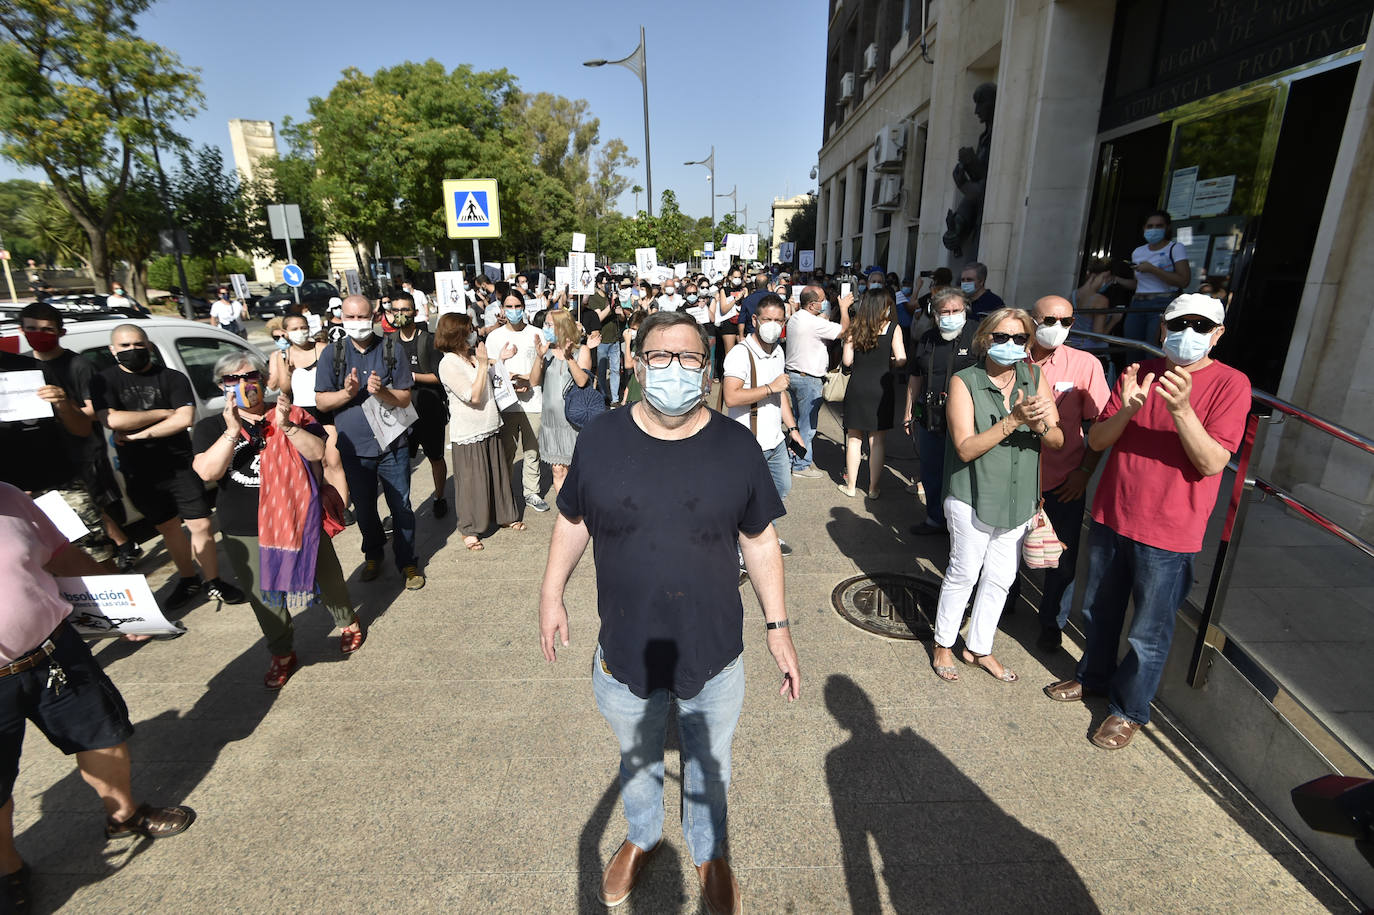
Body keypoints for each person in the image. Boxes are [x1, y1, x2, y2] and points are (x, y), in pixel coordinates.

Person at [538, 311, 800, 915]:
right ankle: (643, 836)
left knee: (709, 764)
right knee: (637, 757)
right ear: (636, 362)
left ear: (705, 371)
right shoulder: (601, 437)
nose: (674, 370)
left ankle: (709, 851)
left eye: (688, 359)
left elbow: (759, 541)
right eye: (660, 357)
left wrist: (778, 627)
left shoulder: (736, 447)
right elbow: (572, 518)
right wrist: (552, 595)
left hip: (713, 653)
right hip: (625, 647)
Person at [1045, 294, 1249, 750]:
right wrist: (1129, 408)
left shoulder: (1231, 384)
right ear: (1162, 327)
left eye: (1201, 326)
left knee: (1148, 631)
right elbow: (1097, 438)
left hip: (1169, 533)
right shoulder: (1140, 372)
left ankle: (1128, 710)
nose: (1188, 335)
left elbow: (1213, 461)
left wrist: (1181, 410)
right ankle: (1092, 677)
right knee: (1097, 609)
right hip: (1113, 514)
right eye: (1180, 323)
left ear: (1218, 334)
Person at [0, 483, 194, 913]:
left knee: (103, 736)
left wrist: (119, 607)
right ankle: (8, 868)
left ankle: (123, 815)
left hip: (53, 651)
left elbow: (62, 556)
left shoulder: (9, 497)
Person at [191, 353, 363, 689]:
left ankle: (348, 622)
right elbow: (208, 472)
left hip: (300, 518)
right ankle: (282, 652)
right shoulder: (210, 426)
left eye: (250, 375)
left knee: (327, 577)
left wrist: (285, 425)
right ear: (221, 386)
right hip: (245, 527)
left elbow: (317, 453)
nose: (243, 384)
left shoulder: (292, 411)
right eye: (232, 379)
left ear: (264, 378)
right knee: (265, 597)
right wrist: (231, 432)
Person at [930, 308, 1063, 683]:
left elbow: (1057, 439)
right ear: (985, 339)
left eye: (1019, 339)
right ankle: (943, 643)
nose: (1010, 345)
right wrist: (1015, 421)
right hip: (972, 493)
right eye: (1001, 337)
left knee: (1001, 577)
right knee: (964, 571)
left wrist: (1040, 425)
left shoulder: (1035, 376)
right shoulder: (964, 381)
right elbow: (965, 448)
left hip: (1018, 498)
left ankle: (979, 647)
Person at [90, 324, 246, 609]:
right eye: (124, 346)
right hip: (140, 470)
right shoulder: (104, 381)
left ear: (149, 346)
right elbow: (111, 420)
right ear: (113, 350)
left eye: (138, 344)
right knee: (168, 528)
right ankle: (189, 579)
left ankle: (213, 581)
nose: (132, 350)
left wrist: (137, 433)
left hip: (179, 464)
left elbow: (184, 418)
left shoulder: (171, 378)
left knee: (200, 524)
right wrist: (163, 412)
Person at [314, 295, 424, 590]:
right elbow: (321, 401)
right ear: (341, 318)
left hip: (392, 445)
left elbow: (404, 398)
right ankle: (373, 553)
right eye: (350, 317)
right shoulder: (332, 354)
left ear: (374, 316)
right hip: (353, 448)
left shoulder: (391, 349)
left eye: (362, 316)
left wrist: (382, 393)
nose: (357, 322)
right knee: (364, 507)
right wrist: (346, 394)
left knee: (400, 505)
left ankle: (407, 561)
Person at [1023, 296, 1110, 652]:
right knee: (1004, 549)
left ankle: (1051, 623)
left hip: (1064, 478)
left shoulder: (1085, 364)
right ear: (1032, 319)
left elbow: (1101, 426)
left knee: (1062, 560)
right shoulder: (1010, 355)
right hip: (1014, 477)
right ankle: (1004, 602)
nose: (1057, 327)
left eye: (1067, 321)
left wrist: (1085, 472)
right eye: (1049, 319)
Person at [722, 295, 807, 557]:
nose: (773, 325)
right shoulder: (740, 354)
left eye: (778, 320)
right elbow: (731, 396)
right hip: (748, 442)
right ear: (755, 320)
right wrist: (770, 387)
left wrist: (793, 430)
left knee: (780, 489)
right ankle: (739, 548)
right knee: (746, 499)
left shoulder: (778, 350)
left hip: (775, 440)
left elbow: (781, 395)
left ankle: (764, 534)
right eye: (768, 320)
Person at [435, 313, 523, 551]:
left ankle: (504, 515)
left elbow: (488, 376)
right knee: (472, 482)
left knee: (497, 474)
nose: (474, 332)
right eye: (469, 329)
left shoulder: (470, 357)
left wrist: (500, 361)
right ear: (457, 334)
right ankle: (469, 528)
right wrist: (485, 364)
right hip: (469, 430)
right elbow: (472, 395)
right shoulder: (448, 363)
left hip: (489, 423)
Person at [904, 288, 979, 535]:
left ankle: (963, 527)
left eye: (956, 310)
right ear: (934, 314)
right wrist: (909, 411)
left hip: (967, 420)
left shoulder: (978, 335)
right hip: (930, 415)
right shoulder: (927, 338)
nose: (950, 315)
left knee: (961, 474)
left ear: (965, 310)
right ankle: (935, 519)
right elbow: (916, 375)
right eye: (944, 311)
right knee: (932, 470)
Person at [268, 313, 351, 521]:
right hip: (302, 413)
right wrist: (288, 372)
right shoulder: (282, 355)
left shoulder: (322, 349)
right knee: (319, 461)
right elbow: (285, 389)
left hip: (326, 408)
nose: (300, 332)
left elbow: (336, 378)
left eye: (303, 327)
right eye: (295, 329)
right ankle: (329, 505)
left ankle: (344, 507)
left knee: (334, 459)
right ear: (286, 333)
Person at [838, 288, 907, 499]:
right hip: (881, 388)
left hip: (858, 386)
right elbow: (902, 358)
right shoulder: (893, 328)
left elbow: (847, 361)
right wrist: (889, 361)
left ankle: (850, 487)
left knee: (854, 439)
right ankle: (873, 488)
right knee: (877, 441)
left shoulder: (854, 329)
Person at [485, 295, 549, 513]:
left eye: (517, 306)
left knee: (532, 449)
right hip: (506, 402)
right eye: (509, 306)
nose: (513, 310)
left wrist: (527, 380)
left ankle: (532, 491)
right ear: (502, 309)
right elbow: (489, 366)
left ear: (524, 307)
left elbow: (542, 365)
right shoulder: (494, 337)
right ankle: (505, 493)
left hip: (533, 400)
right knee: (507, 450)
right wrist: (509, 380)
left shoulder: (536, 333)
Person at [387, 294, 449, 518]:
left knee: (435, 457)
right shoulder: (389, 343)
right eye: (396, 310)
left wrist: (411, 376)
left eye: (405, 310)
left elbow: (441, 376)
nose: (400, 315)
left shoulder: (428, 341)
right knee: (400, 461)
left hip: (429, 409)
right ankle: (401, 507)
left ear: (414, 312)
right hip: (399, 411)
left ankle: (439, 497)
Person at [785, 286, 851, 478]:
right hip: (808, 379)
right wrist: (844, 309)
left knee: (798, 422)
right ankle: (801, 465)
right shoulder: (812, 323)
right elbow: (844, 331)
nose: (825, 303)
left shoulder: (797, 317)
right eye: (822, 300)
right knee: (807, 425)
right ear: (813, 304)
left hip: (795, 375)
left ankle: (794, 457)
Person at [537, 310, 595, 496]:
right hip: (551, 422)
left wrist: (569, 358)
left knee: (577, 469)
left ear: (562, 327)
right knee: (558, 470)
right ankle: (565, 509)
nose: (546, 328)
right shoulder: (545, 352)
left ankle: (579, 506)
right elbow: (533, 382)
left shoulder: (581, 350)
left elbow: (582, 381)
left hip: (573, 420)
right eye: (545, 324)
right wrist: (538, 358)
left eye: (549, 325)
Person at [1119, 209, 1191, 345]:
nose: (1154, 230)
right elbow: (1137, 284)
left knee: (1153, 348)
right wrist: (1116, 280)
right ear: (1144, 228)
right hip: (1137, 303)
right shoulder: (1138, 252)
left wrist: (1152, 269)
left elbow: (1184, 281)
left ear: (1167, 228)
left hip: (1162, 303)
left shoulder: (1175, 248)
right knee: (1131, 346)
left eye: (1159, 226)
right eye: (1150, 226)